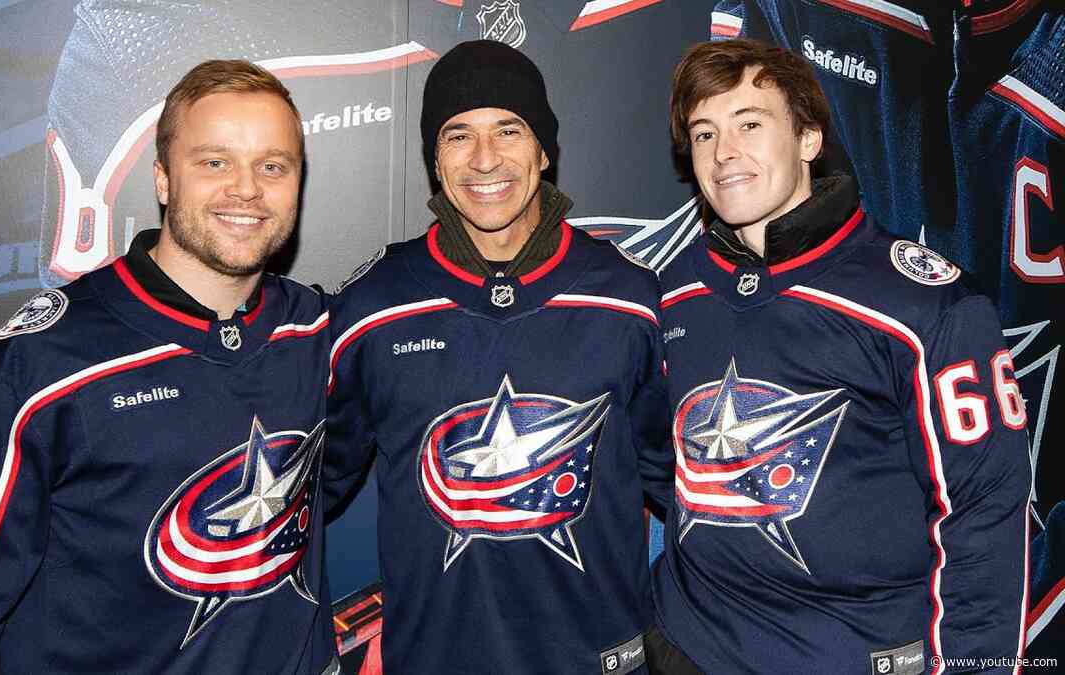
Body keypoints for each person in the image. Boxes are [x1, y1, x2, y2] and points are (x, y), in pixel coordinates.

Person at [0, 60, 337, 675]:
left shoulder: (316, 331)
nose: (247, 189)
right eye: (214, 161)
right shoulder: (45, 362)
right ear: (164, 180)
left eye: (273, 166)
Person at [649, 38, 1033, 674]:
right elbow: (658, 458)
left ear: (808, 139)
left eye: (750, 124)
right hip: (687, 643)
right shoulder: (674, 289)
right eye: (704, 133)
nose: (725, 155)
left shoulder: (925, 306)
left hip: (846, 655)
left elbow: (987, 508)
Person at [324, 39, 675, 675]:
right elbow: (304, 491)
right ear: (435, 158)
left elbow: (691, 497)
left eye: (508, 130)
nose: (485, 159)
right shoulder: (372, 306)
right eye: (458, 135)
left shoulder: (630, 297)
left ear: (544, 149)